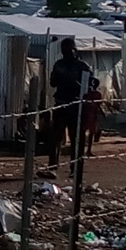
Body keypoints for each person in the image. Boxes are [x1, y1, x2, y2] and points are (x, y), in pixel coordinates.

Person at [43, 38, 92, 178]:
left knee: (76, 138)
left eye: (69, 49)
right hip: (60, 104)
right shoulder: (59, 65)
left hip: (76, 106)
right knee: (56, 138)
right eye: (65, 50)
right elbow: (53, 83)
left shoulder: (83, 66)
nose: (67, 53)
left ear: (75, 50)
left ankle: (75, 168)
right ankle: (52, 167)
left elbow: (90, 84)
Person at [81, 78, 104, 157]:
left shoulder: (89, 94)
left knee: (90, 133)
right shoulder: (93, 94)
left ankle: (87, 150)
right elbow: (98, 105)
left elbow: (98, 105)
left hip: (90, 114)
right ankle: (86, 150)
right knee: (89, 133)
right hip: (89, 114)